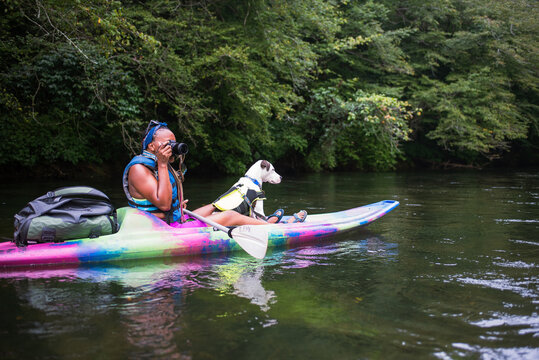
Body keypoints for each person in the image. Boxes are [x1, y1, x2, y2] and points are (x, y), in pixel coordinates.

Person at [123, 121, 307, 228]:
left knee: (213, 206)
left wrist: (177, 204)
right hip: (160, 228)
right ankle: (277, 228)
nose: (172, 148)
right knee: (228, 216)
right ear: (151, 147)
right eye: (167, 143)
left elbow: (165, 202)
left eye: (174, 143)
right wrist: (163, 164)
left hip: (173, 218)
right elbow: (162, 204)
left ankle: (258, 219)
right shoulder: (139, 169)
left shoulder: (159, 164)